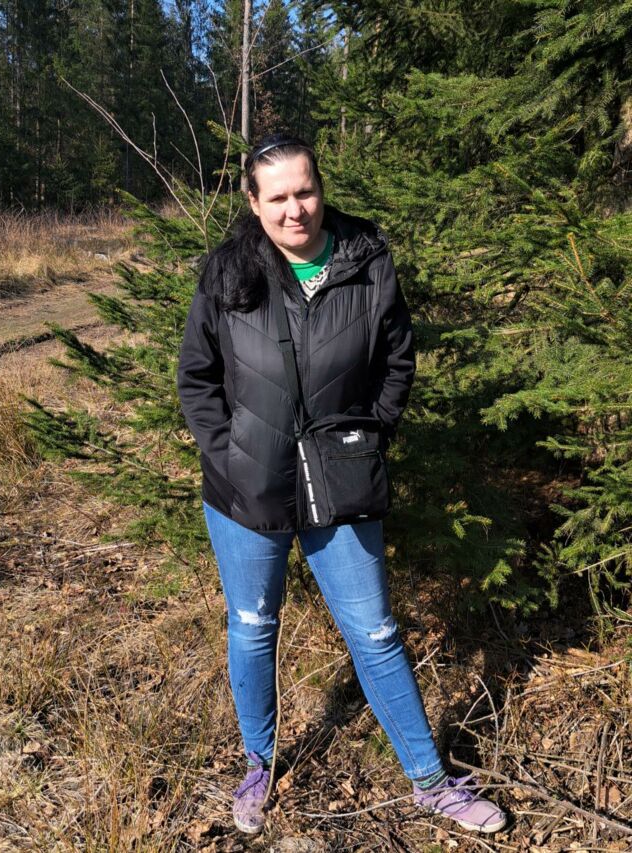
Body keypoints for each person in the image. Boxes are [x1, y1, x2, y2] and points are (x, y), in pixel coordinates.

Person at [177, 133, 507, 836]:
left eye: (305, 191)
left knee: (376, 632)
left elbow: (396, 359)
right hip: (245, 491)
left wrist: (369, 437)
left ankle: (430, 781)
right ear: (253, 202)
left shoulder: (365, 258)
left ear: (321, 187)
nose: (295, 209)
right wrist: (230, 456)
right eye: (277, 197)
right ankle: (259, 764)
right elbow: (197, 377)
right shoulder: (228, 270)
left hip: (343, 483)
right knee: (253, 626)